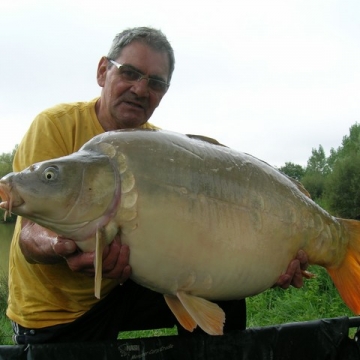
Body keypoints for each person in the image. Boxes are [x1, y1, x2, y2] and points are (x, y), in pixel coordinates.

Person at [7, 27, 309, 345]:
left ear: (164, 92)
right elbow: (29, 235)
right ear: (102, 71)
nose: (140, 89)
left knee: (225, 297)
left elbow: (201, 236)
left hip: (128, 283)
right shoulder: (54, 125)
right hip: (56, 311)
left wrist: (269, 260)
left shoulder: (160, 149)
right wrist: (63, 245)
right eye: (130, 73)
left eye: (155, 83)